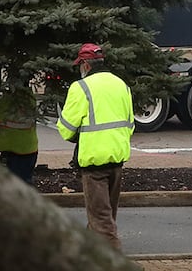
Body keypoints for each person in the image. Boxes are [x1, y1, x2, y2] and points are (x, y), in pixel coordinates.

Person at [56, 42, 134, 248]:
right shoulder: (121, 85)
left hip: (94, 163)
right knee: (105, 216)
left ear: (86, 65)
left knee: (101, 222)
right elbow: (130, 124)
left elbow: (66, 129)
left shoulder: (81, 87)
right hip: (117, 159)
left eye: (79, 65)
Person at [0, 87, 40, 184]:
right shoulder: (30, 99)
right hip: (29, 148)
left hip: (9, 149)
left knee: (6, 183)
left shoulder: (3, 101)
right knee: (25, 180)